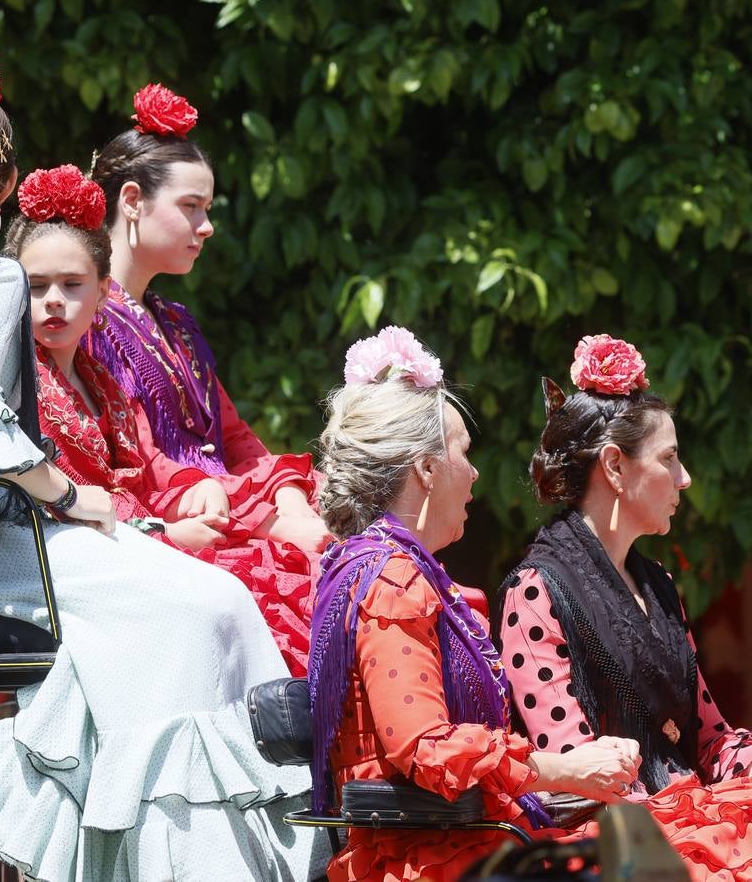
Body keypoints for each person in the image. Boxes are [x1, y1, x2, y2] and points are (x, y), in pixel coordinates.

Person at [0, 45, 328, 881]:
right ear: (3, 188)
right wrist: (73, 495)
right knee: (203, 602)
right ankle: (192, 852)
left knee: (198, 600)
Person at [309, 326, 647, 881]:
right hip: (432, 861)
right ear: (425, 468)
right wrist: (564, 768)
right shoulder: (392, 580)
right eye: (463, 454)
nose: (475, 473)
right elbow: (424, 747)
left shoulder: (385, 568)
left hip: (460, 842)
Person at [5, 162, 321, 675]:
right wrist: (169, 535)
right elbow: (65, 504)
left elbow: (154, 459)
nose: (54, 301)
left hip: (147, 527)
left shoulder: (103, 376)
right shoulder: (24, 383)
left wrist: (202, 487)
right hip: (91, 551)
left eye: (71, 284)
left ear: (100, 292)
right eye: (36, 287)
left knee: (297, 567)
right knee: (247, 593)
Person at [499, 334, 752, 881]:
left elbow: (711, 739)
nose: (684, 478)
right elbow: (579, 770)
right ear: (614, 467)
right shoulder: (537, 590)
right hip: (609, 840)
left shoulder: (657, 584)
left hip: (685, 817)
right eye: (669, 458)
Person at [86, 84, 329, 546]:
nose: (207, 226)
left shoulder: (174, 323)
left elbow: (235, 437)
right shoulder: (93, 321)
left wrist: (286, 493)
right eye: (191, 207)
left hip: (231, 504)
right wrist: (273, 520)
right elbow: (140, 461)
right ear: (133, 201)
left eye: (207, 209)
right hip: (183, 519)